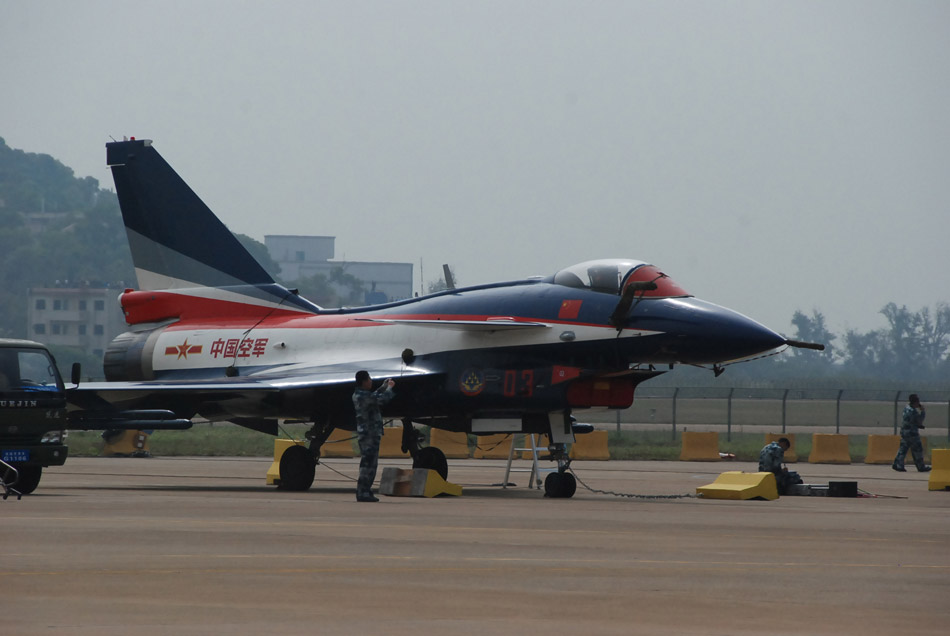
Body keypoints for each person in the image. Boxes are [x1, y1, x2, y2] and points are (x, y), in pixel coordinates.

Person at [352, 370, 395, 502]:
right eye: (369, 379)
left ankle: (366, 491)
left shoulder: (362, 394)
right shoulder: (362, 396)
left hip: (369, 433)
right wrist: (389, 388)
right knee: (368, 464)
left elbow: (375, 396)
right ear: (364, 381)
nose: (371, 381)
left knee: (371, 463)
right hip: (368, 434)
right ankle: (362, 492)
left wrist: (383, 387)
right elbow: (381, 400)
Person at [893, 394, 931, 472]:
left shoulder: (906, 408)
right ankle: (921, 466)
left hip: (904, 431)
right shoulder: (913, 411)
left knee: (903, 448)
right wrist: (923, 411)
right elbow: (919, 421)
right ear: (916, 402)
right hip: (912, 433)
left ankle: (898, 464)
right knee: (918, 449)